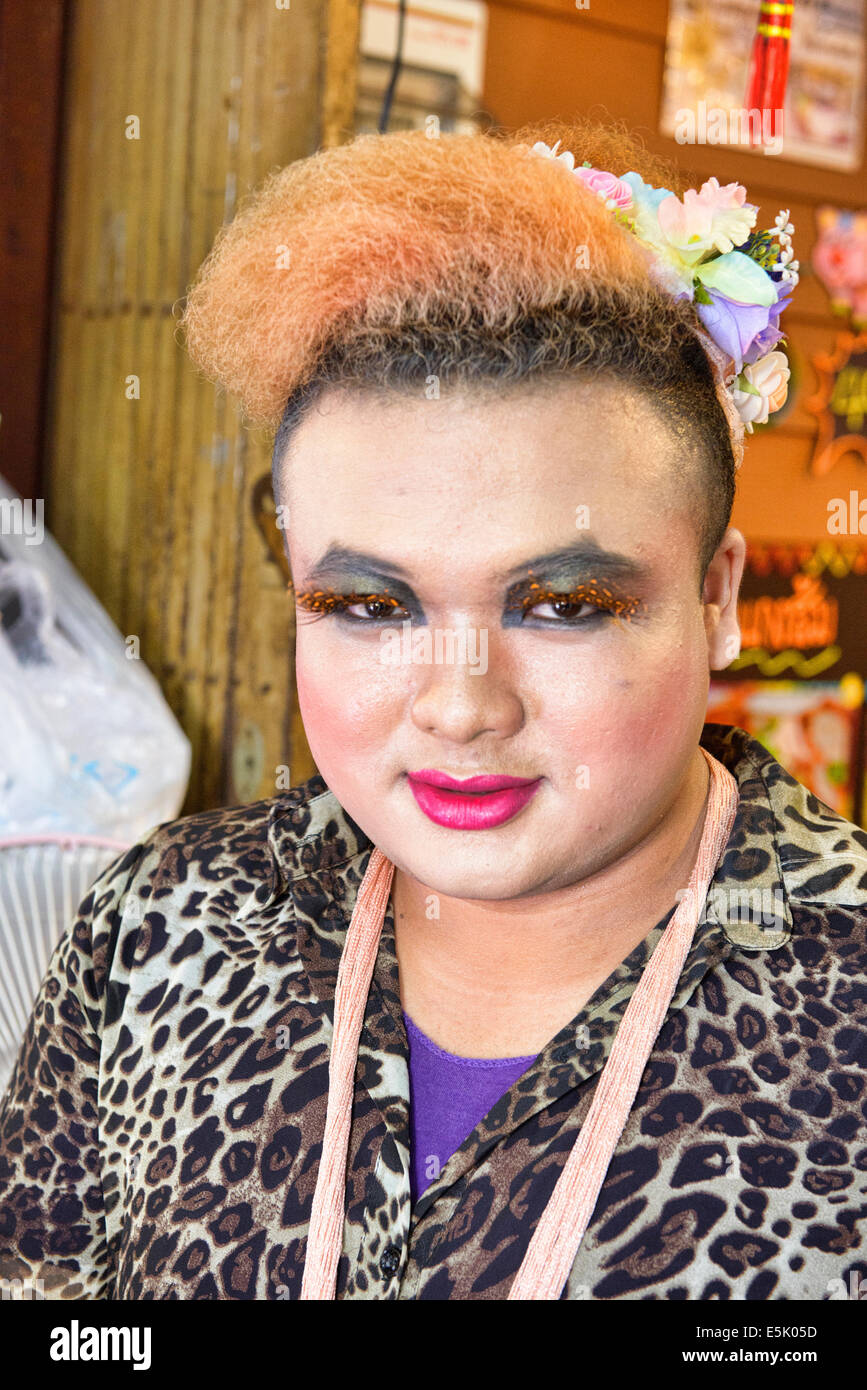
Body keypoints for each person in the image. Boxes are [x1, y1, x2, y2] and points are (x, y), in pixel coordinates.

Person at [1, 117, 864, 1301]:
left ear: (717, 598)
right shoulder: (161, 929)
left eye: (562, 603)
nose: (460, 706)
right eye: (369, 605)